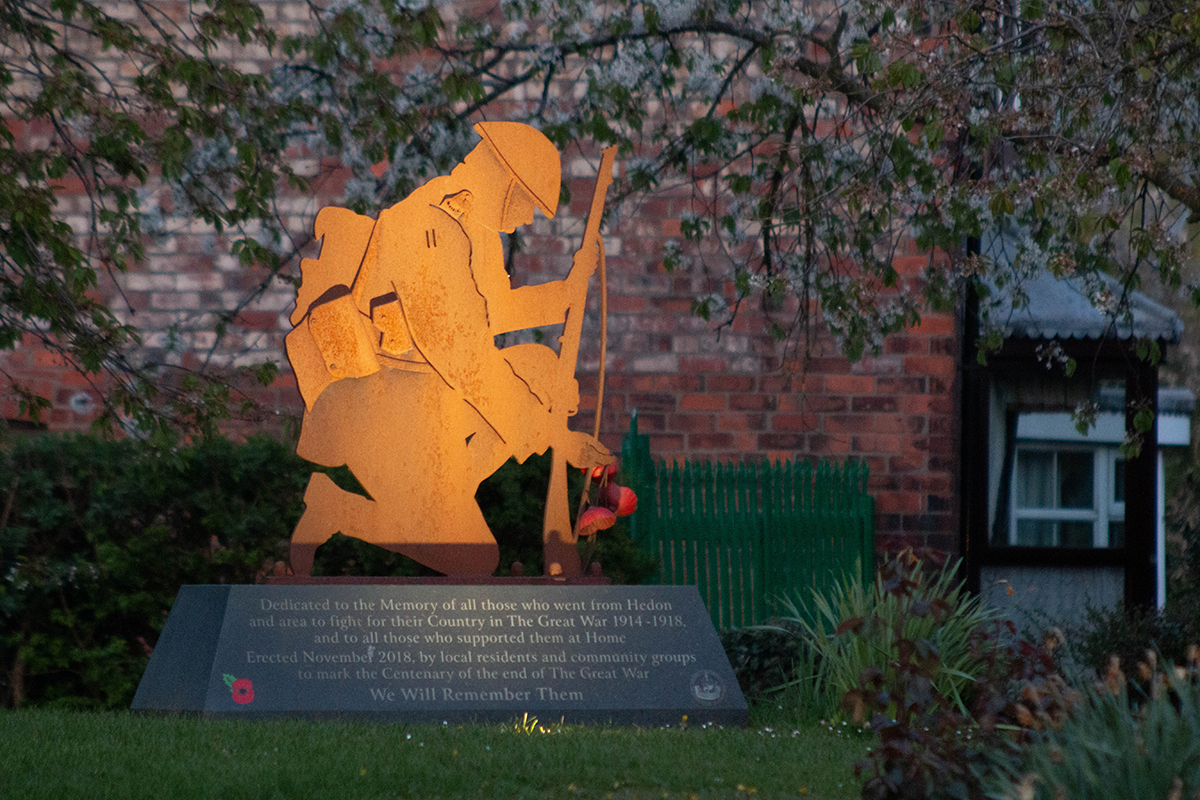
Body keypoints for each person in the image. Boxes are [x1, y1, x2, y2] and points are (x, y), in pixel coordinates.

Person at [284, 122, 612, 576]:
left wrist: (565, 294)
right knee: (475, 559)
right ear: (505, 181)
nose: (529, 219)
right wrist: (554, 435)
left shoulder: (472, 229)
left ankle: (447, 491)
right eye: (528, 204)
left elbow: (489, 311)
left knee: (538, 367)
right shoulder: (424, 225)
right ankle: (337, 509)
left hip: (427, 400)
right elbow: (463, 356)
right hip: (379, 404)